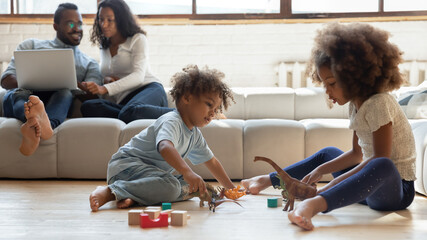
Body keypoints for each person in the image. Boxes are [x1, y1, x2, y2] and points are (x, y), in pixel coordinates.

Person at [241, 22, 416, 231]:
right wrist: (319, 170)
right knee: (328, 154)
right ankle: (267, 180)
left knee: (382, 164)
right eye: (324, 84)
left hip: (394, 191)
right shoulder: (355, 104)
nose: (327, 91)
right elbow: (355, 154)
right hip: (367, 188)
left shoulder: (379, 103)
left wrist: (332, 184)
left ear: (355, 77)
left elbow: (380, 159)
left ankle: (313, 205)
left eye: (332, 83)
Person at [89, 65, 236, 211]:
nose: (213, 113)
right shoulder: (172, 120)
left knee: (196, 187)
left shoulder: (195, 135)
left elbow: (212, 162)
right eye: (209, 104)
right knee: (172, 186)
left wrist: (230, 189)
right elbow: (165, 147)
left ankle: (132, 196)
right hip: (126, 168)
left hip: (147, 178)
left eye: (216, 109)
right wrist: (187, 172)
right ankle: (110, 191)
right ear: (187, 98)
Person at [1, 3, 102, 156]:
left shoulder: (89, 63)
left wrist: (72, 83)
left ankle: (36, 124)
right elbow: (6, 80)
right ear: (56, 26)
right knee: (18, 94)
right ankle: (37, 120)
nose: (77, 28)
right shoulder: (31, 45)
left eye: (80, 24)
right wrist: (36, 79)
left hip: (56, 101)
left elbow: (94, 97)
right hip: (26, 96)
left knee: (65, 93)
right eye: (70, 23)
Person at [80, 0, 173, 123]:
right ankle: (130, 114)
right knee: (88, 106)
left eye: (109, 20)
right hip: (125, 101)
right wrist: (105, 80)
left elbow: (138, 76)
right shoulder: (104, 45)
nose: (104, 24)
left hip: (148, 89)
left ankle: (180, 114)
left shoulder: (138, 39)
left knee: (131, 111)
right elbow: (108, 73)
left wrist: (105, 88)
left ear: (121, 20)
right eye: (101, 19)